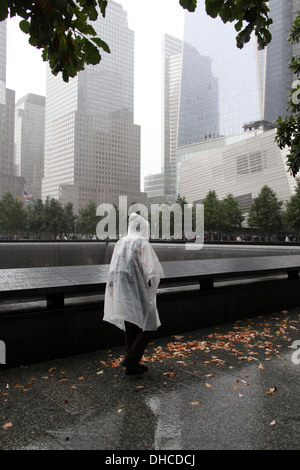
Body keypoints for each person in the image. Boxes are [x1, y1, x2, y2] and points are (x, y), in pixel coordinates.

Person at [103, 212, 164, 375]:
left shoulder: (121, 242)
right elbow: (151, 270)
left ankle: (132, 363)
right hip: (139, 290)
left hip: (122, 291)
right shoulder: (142, 243)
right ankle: (131, 359)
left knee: (131, 325)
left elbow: (114, 267)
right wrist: (151, 288)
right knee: (149, 324)